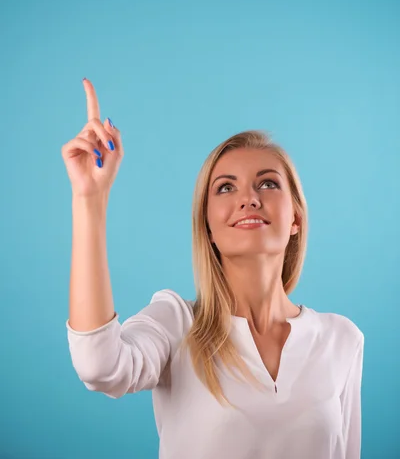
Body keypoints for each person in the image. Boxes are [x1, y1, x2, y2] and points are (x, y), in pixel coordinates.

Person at [63, 78, 364, 459]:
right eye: (225, 188)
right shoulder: (176, 324)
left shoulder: (342, 339)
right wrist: (89, 199)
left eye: (268, 183)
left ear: (296, 218)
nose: (249, 199)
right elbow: (98, 367)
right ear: (207, 225)